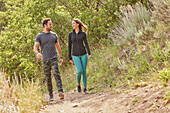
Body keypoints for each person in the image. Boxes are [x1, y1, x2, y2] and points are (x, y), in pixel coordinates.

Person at [34, 18, 64, 101]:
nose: (51, 26)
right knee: (48, 78)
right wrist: (37, 53)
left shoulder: (54, 35)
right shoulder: (39, 36)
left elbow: (58, 46)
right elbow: (35, 46)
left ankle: (60, 91)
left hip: (54, 58)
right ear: (45, 25)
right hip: (45, 60)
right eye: (50, 24)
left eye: (51, 24)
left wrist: (60, 57)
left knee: (56, 74)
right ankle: (51, 95)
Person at [68, 19, 91, 94]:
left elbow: (86, 43)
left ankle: (85, 88)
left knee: (84, 71)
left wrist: (89, 53)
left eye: (74, 23)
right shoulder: (70, 34)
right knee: (79, 70)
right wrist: (69, 57)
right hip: (75, 55)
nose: (73, 25)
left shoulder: (83, 34)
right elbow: (69, 46)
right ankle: (78, 84)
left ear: (78, 24)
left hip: (84, 54)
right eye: (72, 24)